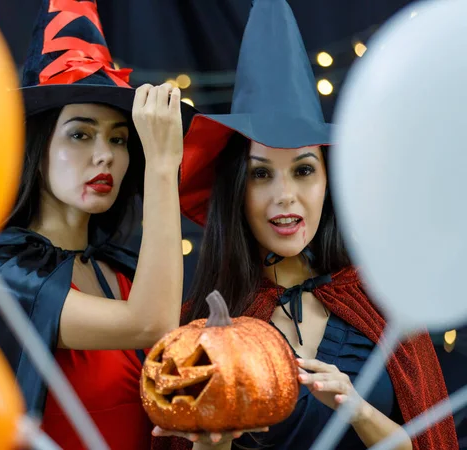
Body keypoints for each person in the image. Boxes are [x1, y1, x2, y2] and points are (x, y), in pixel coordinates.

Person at [152, 0, 459, 449]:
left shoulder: (383, 305)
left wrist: (358, 409)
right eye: (261, 174)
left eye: (303, 169)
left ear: (328, 181)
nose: (285, 196)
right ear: (238, 189)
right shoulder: (201, 333)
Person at [0, 1, 198, 449]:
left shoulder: (122, 274)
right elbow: (150, 324)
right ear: (37, 147)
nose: (105, 154)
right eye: (81, 134)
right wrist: (162, 167)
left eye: (119, 139)